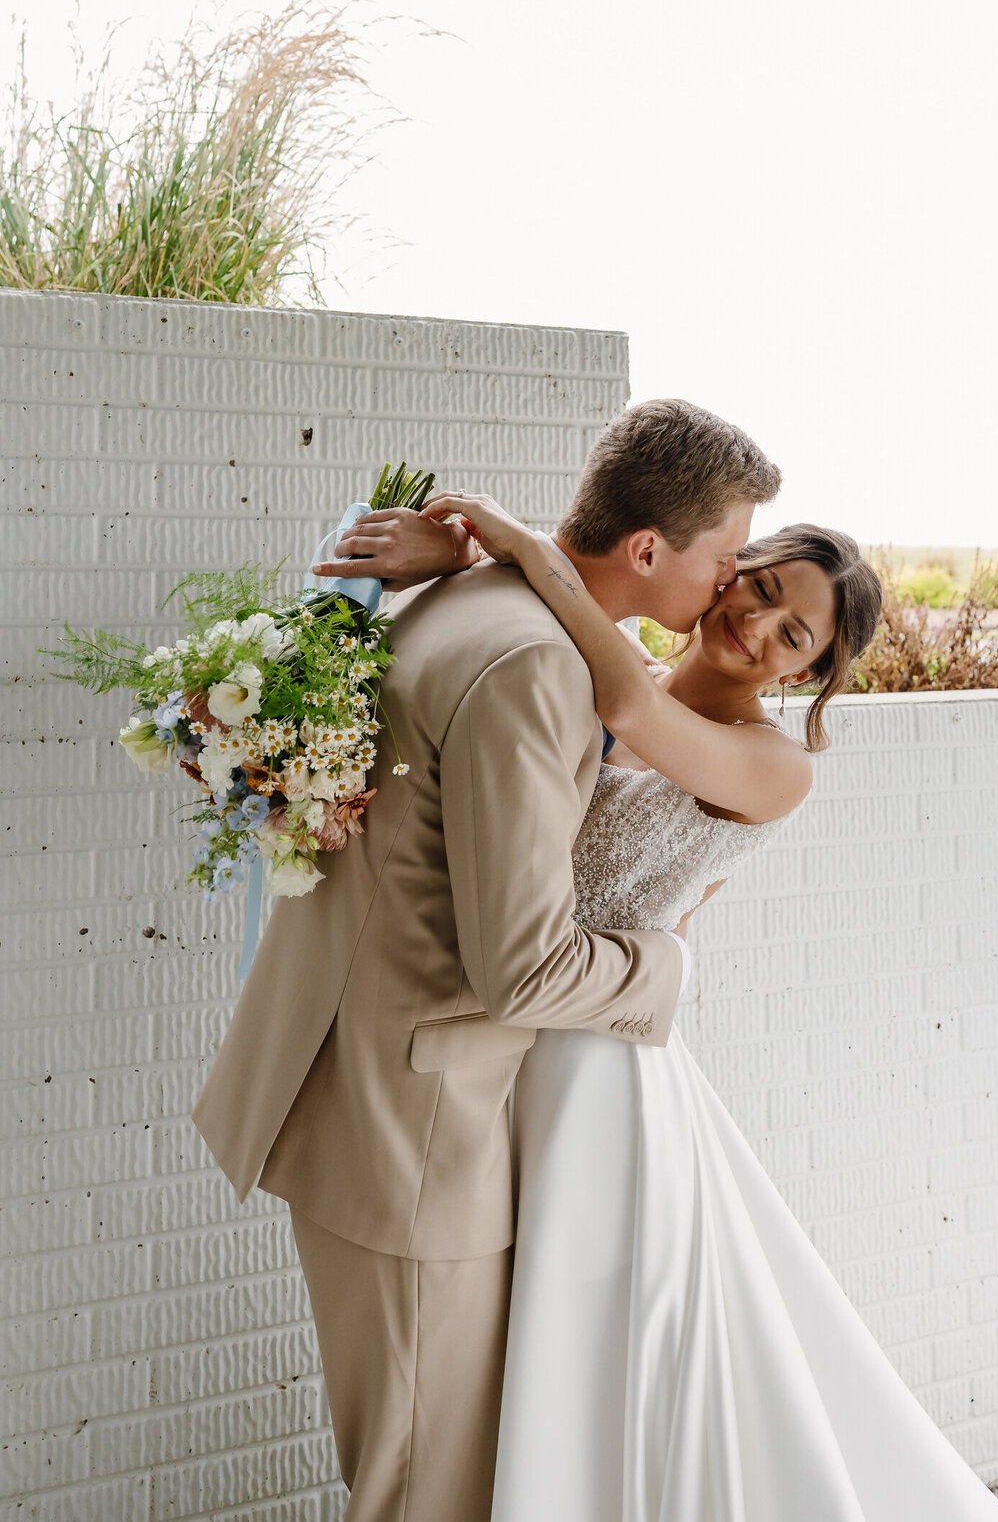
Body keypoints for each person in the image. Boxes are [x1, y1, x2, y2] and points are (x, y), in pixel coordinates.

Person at [191, 398, 781, 1522]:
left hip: (351, 1076)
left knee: (415, 1465)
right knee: (423, 1490)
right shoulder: (533, 668)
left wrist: (470, 533)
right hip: (413, 1129)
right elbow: (521, 969)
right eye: (723, 558)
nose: (730, 584)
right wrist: (664, 969)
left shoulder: (460, 591)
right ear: (649, 550)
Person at [377, 488, 998, 1520]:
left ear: (809, 670)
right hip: (491, 1033)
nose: (754, 626)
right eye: (755, 588)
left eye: (792, 632)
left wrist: (522, 542)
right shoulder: (584, 670)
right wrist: (452, 559)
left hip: (595, 1071)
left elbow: (634, 708)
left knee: (588, 1335)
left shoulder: (774, 765)